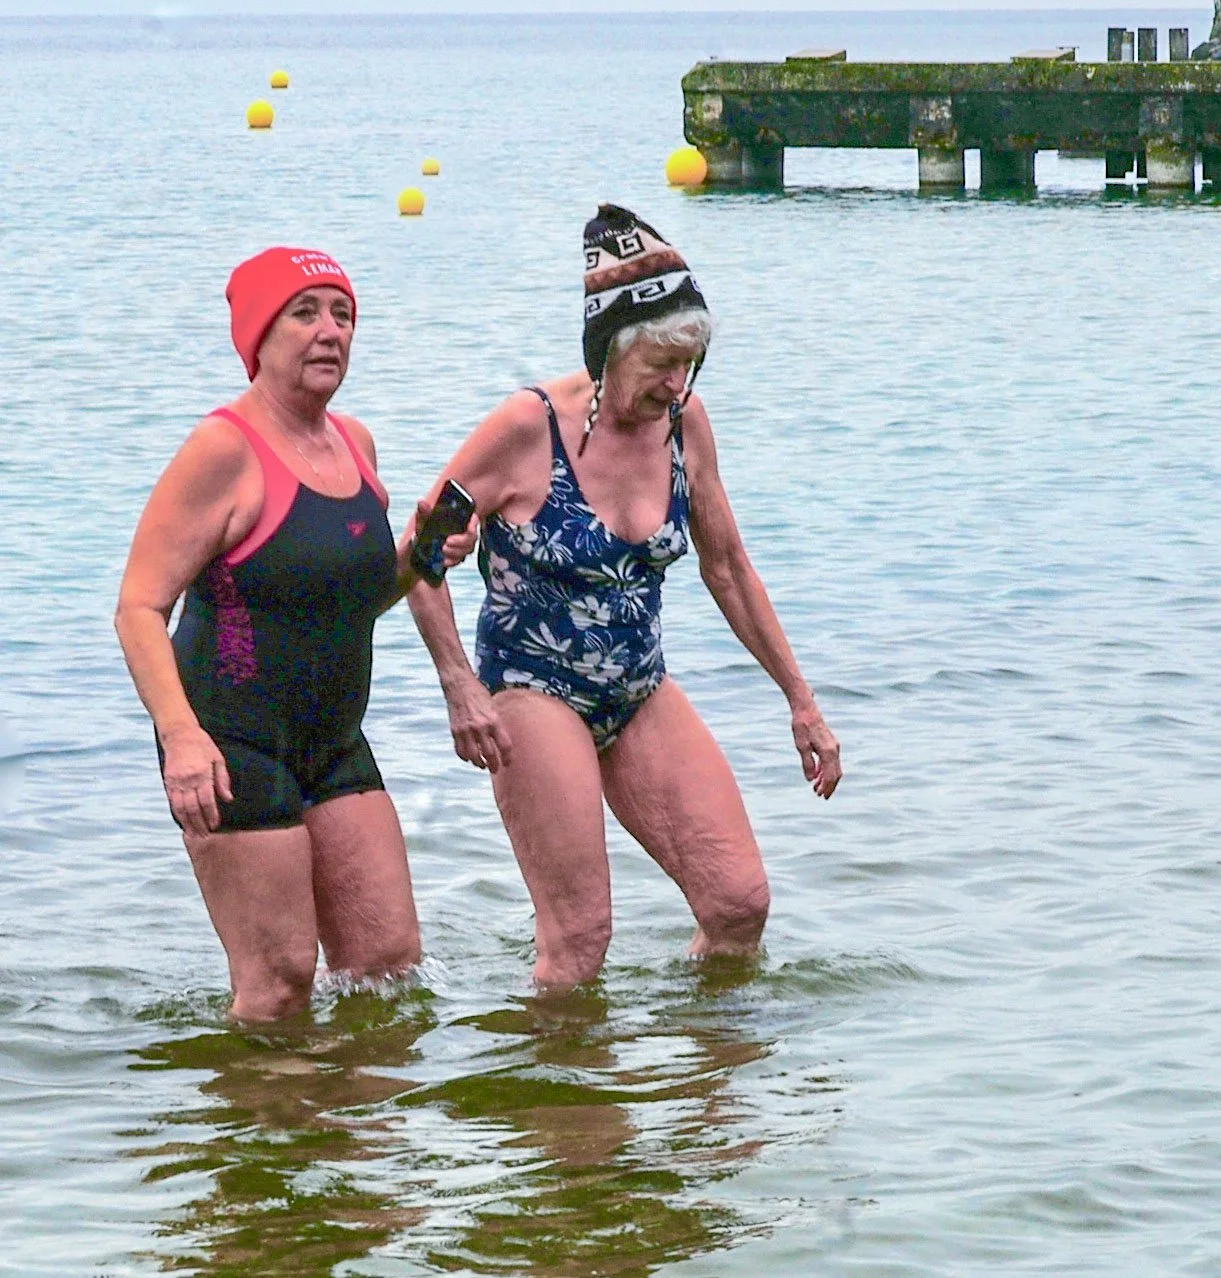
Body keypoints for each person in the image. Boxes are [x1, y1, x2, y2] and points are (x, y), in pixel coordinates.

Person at [408, 204, 842, 988]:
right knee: (580, 937)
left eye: (691, 363)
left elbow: (730, 568)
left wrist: (800, 699)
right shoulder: (523, 427)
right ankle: (564, 1103)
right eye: (660, 365)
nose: (676, 384)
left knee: (738, 903)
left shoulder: (685, 424)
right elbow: (418, 552)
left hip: (637, 687)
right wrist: (458, 688)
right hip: (530, 690)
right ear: (608, 351)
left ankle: (706, 1093)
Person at [115, 247, 469, 1021]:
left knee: (386, 966)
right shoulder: (223, 450)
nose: (329, 332)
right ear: (259, 336)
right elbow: (140, 608)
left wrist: (417, 557)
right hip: (229, 742)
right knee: (277, 985)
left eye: (342, 316)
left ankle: (347, 1135)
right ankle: (258, 1137)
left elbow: (346, 602)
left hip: (333, 737)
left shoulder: (356, 444)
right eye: (305, 313)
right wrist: (180, 738)